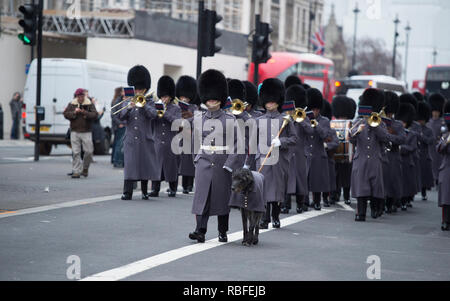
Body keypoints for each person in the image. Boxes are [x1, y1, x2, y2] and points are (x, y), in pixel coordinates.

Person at [189, 69, 243, 243]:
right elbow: (195, 143)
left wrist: (230, 164)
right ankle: (200, 230)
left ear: (221, 98)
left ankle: (222, 231)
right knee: (201, 198)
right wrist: (196, 160)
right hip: (204, 162)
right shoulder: (199, 119)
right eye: (209, 98)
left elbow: (238, 145)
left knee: (221, 199)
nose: (212, 100)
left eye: (215, 97)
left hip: (222, 163)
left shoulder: (229, 119)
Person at [251, 78, 297, 229]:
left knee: (276, 190)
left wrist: (281, 142)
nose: (270, 103)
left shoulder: (285, 119)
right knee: (263, 189)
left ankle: (275, 216)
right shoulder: (258, 120)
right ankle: (265, 218)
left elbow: (294, 139)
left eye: (272, 101)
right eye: (267, 101)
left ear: (278, 101)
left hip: (279, 160)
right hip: (262, 158)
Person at [118, 65, 158, 200]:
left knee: (144, 164)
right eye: (137, 89)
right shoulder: (127, 101)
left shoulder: (150, 101)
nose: (138, 91)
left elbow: (154, 115)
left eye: (141, 89)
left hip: (145, 138)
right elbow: (121, 117)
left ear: (145, 89)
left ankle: (144, 191)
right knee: (130, 165)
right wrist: (129, 107)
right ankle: (127, 192)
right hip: (130, 138)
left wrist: (144, 104)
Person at [350, 88, 389, 221]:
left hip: (374, 160)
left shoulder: (380, 123)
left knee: (374, 187)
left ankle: (375, 208)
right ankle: (360, 213)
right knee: (361, 187)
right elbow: (351, 138)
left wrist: (374, 126)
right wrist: (358, 131)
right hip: (360, 160)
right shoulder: (358, 123)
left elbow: (385, 137)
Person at [282, 84, 312, 214]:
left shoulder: (304, 116)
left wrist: (301, 120)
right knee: (286, 179)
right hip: (288, 152)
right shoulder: (285, 116)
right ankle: (285, 204)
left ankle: (300, 204)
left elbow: (310, 131)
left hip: (300, 153)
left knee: (300, 180)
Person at [150, 76, 182, 197]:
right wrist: (156, 111)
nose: (164, 99)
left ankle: (172, 188)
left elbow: (178, 123)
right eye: (162, 96)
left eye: (166, 96)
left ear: (170, 96)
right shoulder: (155, 106)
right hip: (157, 140)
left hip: (171, 141)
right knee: (156, 166)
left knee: (171, 166)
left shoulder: (176, 108)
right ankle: (155, 189)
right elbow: (151, 119)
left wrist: (165, 113)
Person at [305, 88, 332, 211]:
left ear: (319, 109)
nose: (313, 112)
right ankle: (303, 202)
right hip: (306, 153)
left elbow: (326, 135)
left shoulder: (325, 121)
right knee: (304, 180)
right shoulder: (303, 119)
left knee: (316, 181)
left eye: (315, 110)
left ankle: (316, 202)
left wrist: (316, 125)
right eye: (312, 109)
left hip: (318, 154)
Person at [63, 88, 98, 178]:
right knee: (76, 152)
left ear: (84, 96)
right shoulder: (72, 104)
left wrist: (84, 112)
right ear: (76, 96)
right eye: (79, 96)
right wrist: (74, 112)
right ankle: (76, 171)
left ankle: (85, 168)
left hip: (86, 131)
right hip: (74, 131)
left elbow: (95, 115)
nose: (80, 98)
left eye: (82, 96)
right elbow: (66, 114)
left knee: (89, 151)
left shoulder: (89, 104)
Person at [381, 91, 406, 214]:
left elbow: (402, 139)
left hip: (392, 155)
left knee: (392, 182)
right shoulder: (378, 121)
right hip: (380, 154)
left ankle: (390, 203)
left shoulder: (398, 124)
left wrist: (389, 136)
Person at [331, 96, 356, 205]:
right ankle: (334, 194)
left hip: (347, 153)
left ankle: (346, 195)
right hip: (335, 151)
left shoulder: (351, 123)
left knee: (346, 175)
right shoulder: (333, 123)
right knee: (335, 174)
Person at [176, 76, 199, 194]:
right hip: (179, 137)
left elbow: (197, 120)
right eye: (182, 96)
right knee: (181, 163)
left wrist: (190, 116)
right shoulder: (176, 107)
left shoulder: (194, 107)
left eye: (186, 97)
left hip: (190, 138)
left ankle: (189, 185)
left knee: (189, 163)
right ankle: (184, 184)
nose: (184, 99)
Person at [397, 103, 418, 211]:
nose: (403, 124)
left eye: (404, 122)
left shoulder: (412, 134)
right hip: (397, 161)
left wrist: (401, 148)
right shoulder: (396, 131)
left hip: (406, 161)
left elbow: (412, 147)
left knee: (405, 183)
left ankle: (404, 201)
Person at [321, 100, 340, 207]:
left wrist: (326, 146)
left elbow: (336, 143)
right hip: (317, 158)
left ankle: (326, 198)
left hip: (328, 159)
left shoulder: (330, 130)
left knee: (328, 180)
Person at [416, 101, 435, 201]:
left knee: (424, 176)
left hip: (424, 155)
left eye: (422, 120)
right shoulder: (414, 128)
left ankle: (423, 192)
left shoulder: (428, 130)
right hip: (415, 154)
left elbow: (430, 141)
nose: (420, 122)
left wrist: (421, 137)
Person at [427, 93, 446, 187]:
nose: (435, 113)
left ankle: (438, 179)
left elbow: (444, 134)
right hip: (430, 147)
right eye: (434, 111)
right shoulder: (428, 122)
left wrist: (441, 141)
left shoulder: (443, 121)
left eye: (437, 111)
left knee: (439, 163)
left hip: (439, 146)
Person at [437, 101, 450, 231]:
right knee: (446, 197)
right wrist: (447, 140)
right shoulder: (445, 134)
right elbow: (439, 149)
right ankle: (445, 221)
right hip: (447, 168)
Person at [111, 87, 126, 168]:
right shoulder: (118, 101)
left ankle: (120, 161)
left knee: (121, 144)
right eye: (123, 91)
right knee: (119, 144)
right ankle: (117, 161)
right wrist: (119, 123)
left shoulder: (124, 100)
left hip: (124, 124)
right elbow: (113, 114)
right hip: (120, 125)